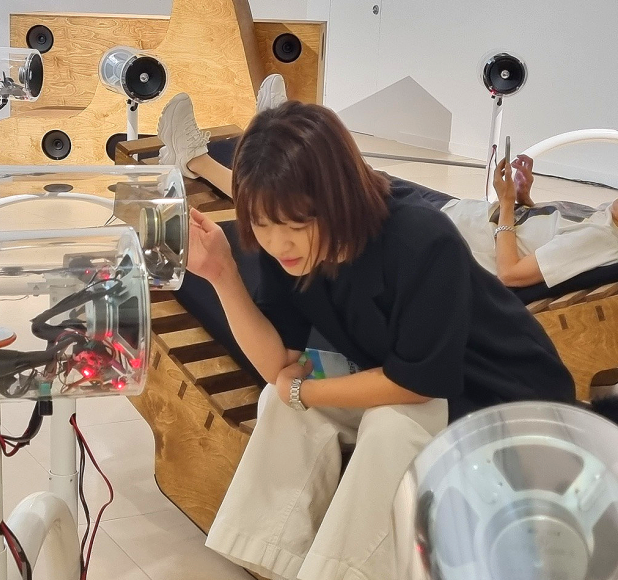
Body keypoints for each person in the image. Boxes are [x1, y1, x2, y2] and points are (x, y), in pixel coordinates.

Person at [179, 99, 576, 580]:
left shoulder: (420, 238)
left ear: (335, 199)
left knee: (389, 425)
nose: (278, 242)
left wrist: (304, 390)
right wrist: (221, 274)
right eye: (262, 224)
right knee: (282, 404)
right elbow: (277, 365)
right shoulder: (286, 248)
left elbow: (416, 383)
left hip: (508, 405)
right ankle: (264, 562)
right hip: (422, 388)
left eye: (295, 225)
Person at [158, 80, 618, 289]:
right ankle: (276, 130)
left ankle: (195, 159)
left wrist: (506, 205)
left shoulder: (604, 240)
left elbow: (512, 274)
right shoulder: (606, 222)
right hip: (453, 215)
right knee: (341, 174)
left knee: (307, 199)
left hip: (442, 238)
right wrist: (522, 197)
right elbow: (543, 239)